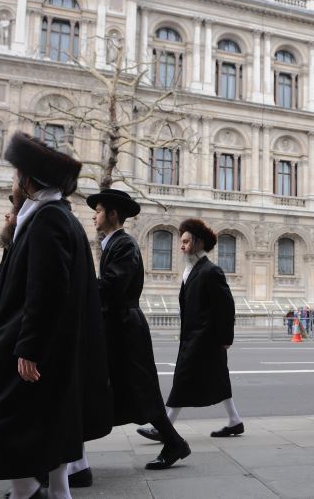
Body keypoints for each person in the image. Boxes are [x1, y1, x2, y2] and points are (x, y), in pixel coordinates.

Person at [0, 132, 112, 499]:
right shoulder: (55, 216)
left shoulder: (48, 220)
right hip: (42, 343)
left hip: (26, 342)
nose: (12, 183)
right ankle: (55, 491)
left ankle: (28, 490)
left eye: (15, 176)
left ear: (28, 181)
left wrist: (29, 346)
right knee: (46, 419)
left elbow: (47, 289)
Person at [69, 189, 189, 481]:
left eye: (98, 211)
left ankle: (173, 443)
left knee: (138, 388)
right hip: (117, 325)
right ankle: (74, 457)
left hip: (125, 327)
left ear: (112, 214)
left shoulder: (124, 244)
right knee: (126, 388)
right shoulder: (113, 244)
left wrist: (79, 285)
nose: (94, 216)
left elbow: (113, 286)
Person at [139, 218, 242, 439]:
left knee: (182, 380)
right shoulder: (193, 270)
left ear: (197, 243)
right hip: (194, 336)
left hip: (204, 338)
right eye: (181, 241)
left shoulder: (210, 271)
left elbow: (226, 307)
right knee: (219, 380)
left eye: (186, 241)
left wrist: (226, 338)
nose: (181, 246)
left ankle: (164, 428)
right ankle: (235, 421)